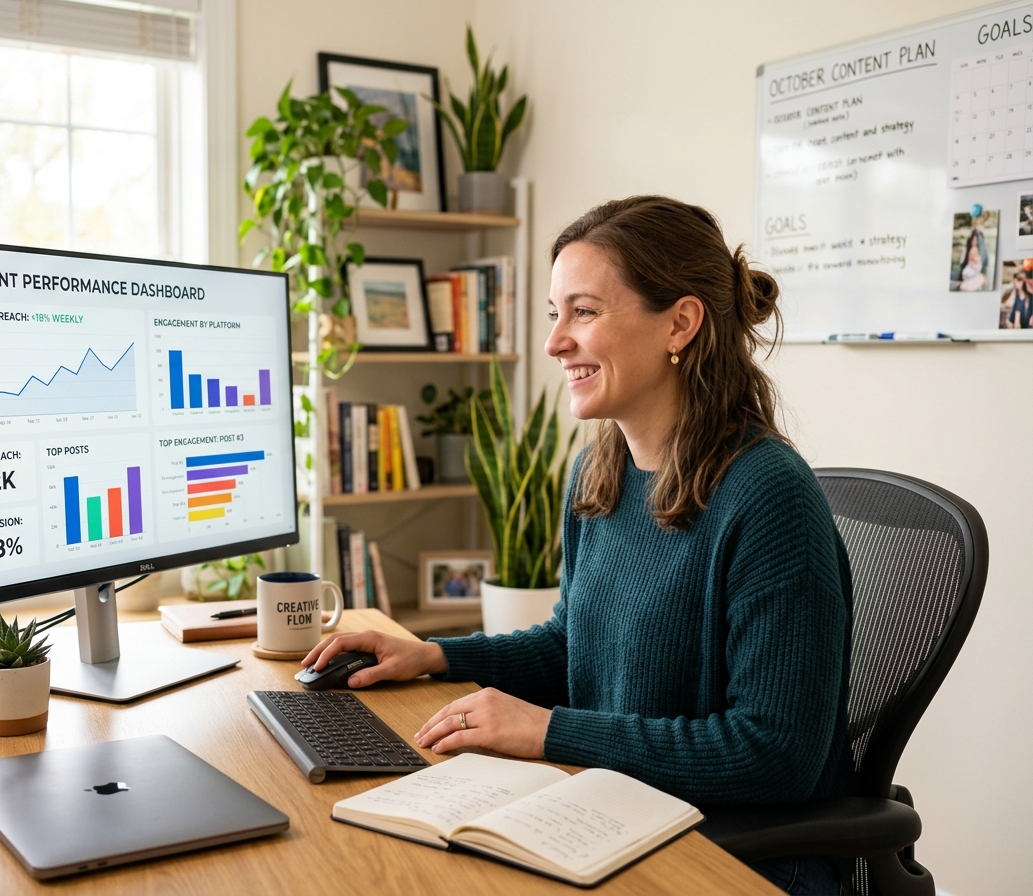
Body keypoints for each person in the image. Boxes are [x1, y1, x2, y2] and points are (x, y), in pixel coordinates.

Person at [304, 196, 853, 894]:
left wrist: (548, 731)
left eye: (584, 312)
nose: (554, 342)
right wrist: (435, 654)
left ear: (680, 324)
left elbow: (774, 755)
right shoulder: (600, 472)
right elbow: (576, 643)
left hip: (735, 859)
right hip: (617, 818)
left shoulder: (769, 496)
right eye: (553, 314)